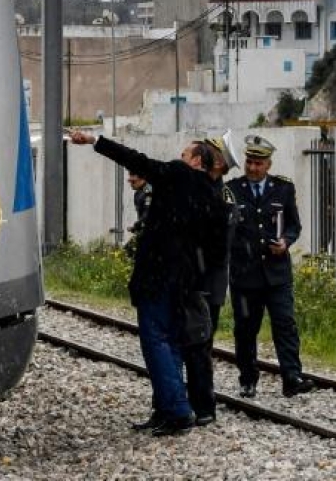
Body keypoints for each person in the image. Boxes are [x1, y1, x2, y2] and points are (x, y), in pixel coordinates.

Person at [69, 131, 226, 437]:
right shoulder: (214, 196)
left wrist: (95, 141)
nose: (178, 159)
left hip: (158, 274)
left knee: (155, 340)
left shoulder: (180, 174)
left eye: (183, 154)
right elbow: (217, 250)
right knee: (174, 343)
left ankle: (178, 411)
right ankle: (167, 409)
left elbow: (137, 161)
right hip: (186, 280)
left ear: (196, 160)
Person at [227, 136, 314, 399]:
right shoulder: (231, 190)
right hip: (245, 274)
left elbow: (294, 225)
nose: (252, 168)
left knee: (285, 323)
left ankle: (291, 376)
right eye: (249, 162)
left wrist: (286, 241)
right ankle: (248, 379)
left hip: (277, 273)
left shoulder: (282, 189)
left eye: (258, 163)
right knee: (245, 328)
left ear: (268, 164)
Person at [180, 137, 236, 427]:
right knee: (187, 344)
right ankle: (189, 400)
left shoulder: (221, 197)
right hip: (190, 280)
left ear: (218, 163)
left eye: (210, 153)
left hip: (205, 283)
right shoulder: (195, 189)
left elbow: (217, 248)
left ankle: (203, 405)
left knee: (200, 345)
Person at [124, 171, 152, 259]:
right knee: (128, 252)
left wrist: (136, 225)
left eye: (133, 181)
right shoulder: (138, 193)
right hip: (144, 232)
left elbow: (148, 214)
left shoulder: (149, 193)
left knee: (128, 252)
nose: (130, 183)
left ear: (142, 179)